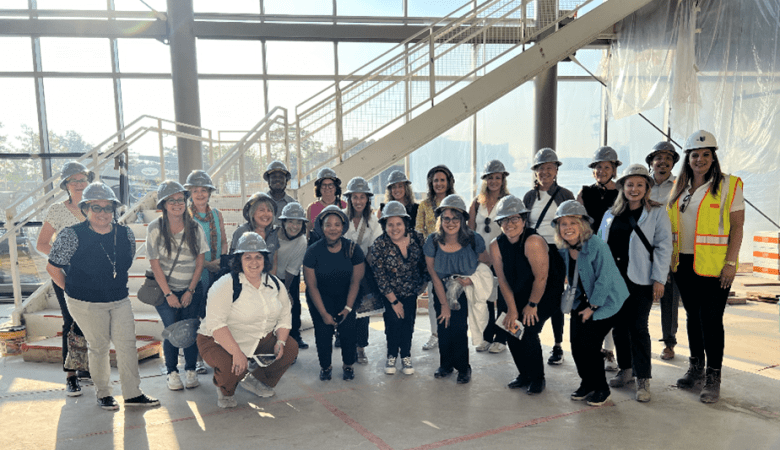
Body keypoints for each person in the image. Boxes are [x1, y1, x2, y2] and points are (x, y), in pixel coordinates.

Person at [46, 182, 159, 411]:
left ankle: (132, 394)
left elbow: (123, 265)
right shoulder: (71, 234)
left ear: (114, 210)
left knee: (127, 344)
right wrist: (71, 291)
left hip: (118, 299)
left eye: (107, 208)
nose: (102, 213)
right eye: (96, 207)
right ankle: (104, 394)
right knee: (98, 346)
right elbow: (53, 268)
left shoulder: (124, 233)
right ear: (86, 208)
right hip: (84, 302)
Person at [667, 130, 744, 404]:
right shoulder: (680, 188)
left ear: (714, 157)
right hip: (683, 264)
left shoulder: (729, 185)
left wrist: (731, 263)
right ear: (688, 159)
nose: (700, 159)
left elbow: (737, 227)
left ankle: (714, 376)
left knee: (711, 320)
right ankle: (696, 367)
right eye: (695, 155)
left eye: (705, 155)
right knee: (692, 317)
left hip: (714, 267)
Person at [197, 232, 299, 408]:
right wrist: (237, 352)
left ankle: (256, 381)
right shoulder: (225, 284)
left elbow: (284, 315)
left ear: (265, 259)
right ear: (239, 260)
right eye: (248, 257)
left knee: (290, 349)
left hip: (257, 337)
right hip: (217, 340)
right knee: (233, 366)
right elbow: (216, 324)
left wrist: (280, 341)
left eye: (258, 257)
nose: (254, 262)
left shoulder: (274, 284)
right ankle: (225, 389)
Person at [598, 164, 672, 402]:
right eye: (630, 184)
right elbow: (600, 246)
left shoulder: (657, 213)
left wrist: (659, 278)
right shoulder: (610, 214)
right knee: (619, 326)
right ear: (622, 187)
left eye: (640, 184)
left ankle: (643, 378)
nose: (635, 189)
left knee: (638, 328)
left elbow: (663, 247)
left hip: (641, 279)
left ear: (647, 188)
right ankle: (626, 369)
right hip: (614, 280)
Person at [553, 200, 628, 407]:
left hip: (606, 301)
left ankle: (602, 389)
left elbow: (605, 279)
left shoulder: (596, 245)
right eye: (563, 223)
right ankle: (587, 383)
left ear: (583, 225)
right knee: (576, 344)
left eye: (572, 223)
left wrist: (592, 308)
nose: (567, 228)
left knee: (590, 344)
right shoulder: (565, 248)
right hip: (582, 300)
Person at [492, 195, 565, 395]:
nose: (509, 224)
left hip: (543, 292)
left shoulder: (533, 241)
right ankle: (524, 374)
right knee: (511, 329)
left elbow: (541, 278)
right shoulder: (496, 245)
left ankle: (537, 378)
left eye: (514, 218)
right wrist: (512, 310)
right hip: (516, 291)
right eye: (504, 220)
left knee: (528, 329)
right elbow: (503, 281)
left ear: (524, 220)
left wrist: (531, 305)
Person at [36, 161, 93, 396]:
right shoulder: (58, 210)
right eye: (74, 180)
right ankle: (71, 375)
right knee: (71, 321)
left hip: (94, 275)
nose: (79, 184)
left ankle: (84, 367)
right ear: (66, 185)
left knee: (90, 321)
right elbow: (41, 243)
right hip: (66, 274)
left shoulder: (97, 206)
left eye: (83, 179)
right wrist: (64, 258)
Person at [424, 194, 491, 384]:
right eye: (446, 218)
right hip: (441, 289)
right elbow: (433, 273)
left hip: (463, 291)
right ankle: (445, 365)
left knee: (459, 329)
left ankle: (463, 367)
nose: (450, 222)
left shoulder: (473, 239)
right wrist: (444, 303)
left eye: (455, 218)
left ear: (462, 220)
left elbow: (486, 263)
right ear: (440, 220)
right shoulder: (433, 241)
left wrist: (472, 279)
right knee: (443, 327)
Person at [147, 180, 208, 391]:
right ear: (163, 204)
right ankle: (172, 372)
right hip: (166, 291)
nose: (176, 204)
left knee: (190, 330)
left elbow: (200, 261)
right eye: (171, 201)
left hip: (191, 288)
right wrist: (169, 294)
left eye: (180, 200)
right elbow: (155, 264)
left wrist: (190, 290)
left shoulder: (195, 227)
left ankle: (190, 369)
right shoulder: (155, 228)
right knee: (172, 330)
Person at [523, 148, 575, 366]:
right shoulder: (528, 196)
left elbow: (574, 225)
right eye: (540, 168)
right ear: (535, 171)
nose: (545, 172)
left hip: (557, 250)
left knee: (554, 298)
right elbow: (524, 225)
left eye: (549, 168)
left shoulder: (565, 195)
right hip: (534, 248)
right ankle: (530, 335)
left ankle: (557, 345)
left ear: (556, 170)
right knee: (532, 292)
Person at [303, 205, 365, 381]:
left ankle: (348, 365)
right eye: (328, 225)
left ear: (343, 227)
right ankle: (325, 366)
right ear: (322, 228)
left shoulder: (353, 249)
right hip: (320, 298)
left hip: (347, 297)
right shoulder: (312, 251)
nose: (333, 228)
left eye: (337, 224)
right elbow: (311, 285)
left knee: (348, 333)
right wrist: (323, 313)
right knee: (323, 334)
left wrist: (347, 308)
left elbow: (355, 281)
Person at [369, 201, 429, 375]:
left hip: (412, 292)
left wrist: (423, 285)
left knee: (408, 324)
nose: (394, 228)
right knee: (393, 324)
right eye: (390, 224)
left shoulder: (417, 238)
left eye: (398, 224)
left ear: (405, 223)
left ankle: (406, 356)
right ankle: (392, 355)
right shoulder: (379, 244)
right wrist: (394, 301)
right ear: (384, 225)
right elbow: (379, 275)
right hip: (390, 293)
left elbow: (426, 263)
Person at [576, 146, 622, 370]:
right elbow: (577, 221)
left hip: (614, 254)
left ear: (614, 169)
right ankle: (595, 350)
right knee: (591, 300)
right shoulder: (585, 193)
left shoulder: (622, 192)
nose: (602, 170)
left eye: (606, 167)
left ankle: (611, 351)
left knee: (610, 301)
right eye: (598, 167)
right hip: (589, 252)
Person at [467, 160, 509, 354]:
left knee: (502, 298)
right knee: (484, 298)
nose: (494, 181)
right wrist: (478, 255)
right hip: (481, 258)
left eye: (497, 178)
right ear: (485, 180)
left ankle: (501, 338)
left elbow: (513, 231)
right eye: (490, 177)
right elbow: (469, 232)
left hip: (502, 257)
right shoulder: (477, 202)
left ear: (503, 180)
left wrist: (498, 256)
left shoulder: (508, 202)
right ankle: (486, 336)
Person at [646, 141, 682, 360]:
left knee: (669, 297)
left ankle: (669, 342)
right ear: (651, 162)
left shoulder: (680, 186)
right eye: (658, 158)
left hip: (667, 248)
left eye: (668, 159)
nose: (663, 162)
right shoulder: (641, 184)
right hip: (642, 248)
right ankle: (635, 338)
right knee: (640, 296)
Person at [343, 177, 383, 365]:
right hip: (343, 270)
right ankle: (347, 347)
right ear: (349, 199)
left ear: (367, 199)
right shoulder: (341, 217)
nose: (358, 201)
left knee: (363, 313)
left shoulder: (373, 221)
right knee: (346, 310)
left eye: (362, 197)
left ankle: (361, 348)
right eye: (355, 197)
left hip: (364, 271)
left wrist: (361, 265)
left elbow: (376, 246)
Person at [415, 165, 455, 352]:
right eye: (435, 180)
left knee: (454, 294)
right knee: (433, 297)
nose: (439, 183)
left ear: (449, 182)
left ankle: (453, 332)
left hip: (454, 256)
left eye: (442, 180)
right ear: (431, 183)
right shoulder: (424, 205)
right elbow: (419, 231)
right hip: (432, 257)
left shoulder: (455, 202)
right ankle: (435, 334)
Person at [277, 202, 310, 350]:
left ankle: (295, 335)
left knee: (293, 303)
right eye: (290, 221)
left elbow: (291, 270)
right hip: (270, 275)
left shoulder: (302, 241)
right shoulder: (272, 235)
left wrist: (285, 292)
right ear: (283, 222)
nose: (294, 226)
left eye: (298, 222)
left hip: (288, 276)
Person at [231, 192, 279, 275]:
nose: (266, 214)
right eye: (261, 210)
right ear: (252, 213)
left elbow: (274, 263)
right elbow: (233, 262)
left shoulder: (273, 233)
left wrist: (270, 284)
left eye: (269, 210)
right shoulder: (241, 232)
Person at [306, 167, 346, 239]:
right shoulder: (312, 208)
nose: (327, 188)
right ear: (319, 188)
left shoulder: (345, 206)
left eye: (330, 185)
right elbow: (308, 234)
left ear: (336, 187)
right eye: (324, 185)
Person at [264, 161, 296, 225]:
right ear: (268, 181)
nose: (277, 179)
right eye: (274, 177)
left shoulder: (293, 205)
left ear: (286, 181)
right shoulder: (260, 203)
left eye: (281, 177)